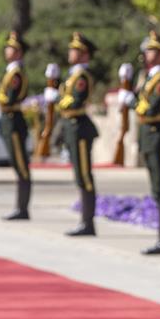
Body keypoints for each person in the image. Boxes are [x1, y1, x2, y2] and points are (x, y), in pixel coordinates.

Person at [118, 31, 160, 255]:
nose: (146, 53)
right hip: (149, 136)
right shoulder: (151, 77)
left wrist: (131, 101)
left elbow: (150, 108)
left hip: (158, 134)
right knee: (157, 188)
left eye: (152, 50)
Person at [49, 32, 99, 236]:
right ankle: (85, 221)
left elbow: (76, 101)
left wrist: (58, 100)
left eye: (76, 50)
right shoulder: (73, 74)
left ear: (85, 54)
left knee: (84, 175)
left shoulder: (82, 76)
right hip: (72, 126)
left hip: (80, 127)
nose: (71, 52)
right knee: (79, 175)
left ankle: (88, 222)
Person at [0, 31, 32, 219]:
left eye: (10, 48)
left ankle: (22, 208)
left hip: (14, 121)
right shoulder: (10, 71)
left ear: (18, 52)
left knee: (21, 166)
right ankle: (20, 207)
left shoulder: (16, 73)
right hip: (8, 120)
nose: (6, 50)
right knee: (17, 165)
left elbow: (9, 99)